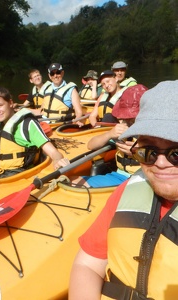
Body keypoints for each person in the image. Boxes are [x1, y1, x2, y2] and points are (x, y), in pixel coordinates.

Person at [68, 80, 178, 300]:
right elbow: (87, 264)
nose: (162, 163)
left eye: (177, 152)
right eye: (149, 151)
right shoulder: (127, 190)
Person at [70, 84, 148, 188]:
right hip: (119, 176)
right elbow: (91, 145)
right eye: (125, 117)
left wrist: (138, 152)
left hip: (145, 178)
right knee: (72, 181)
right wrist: (109, 134)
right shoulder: (121, 130)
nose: (127, 120)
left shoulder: (157, 131)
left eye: (132, 117)